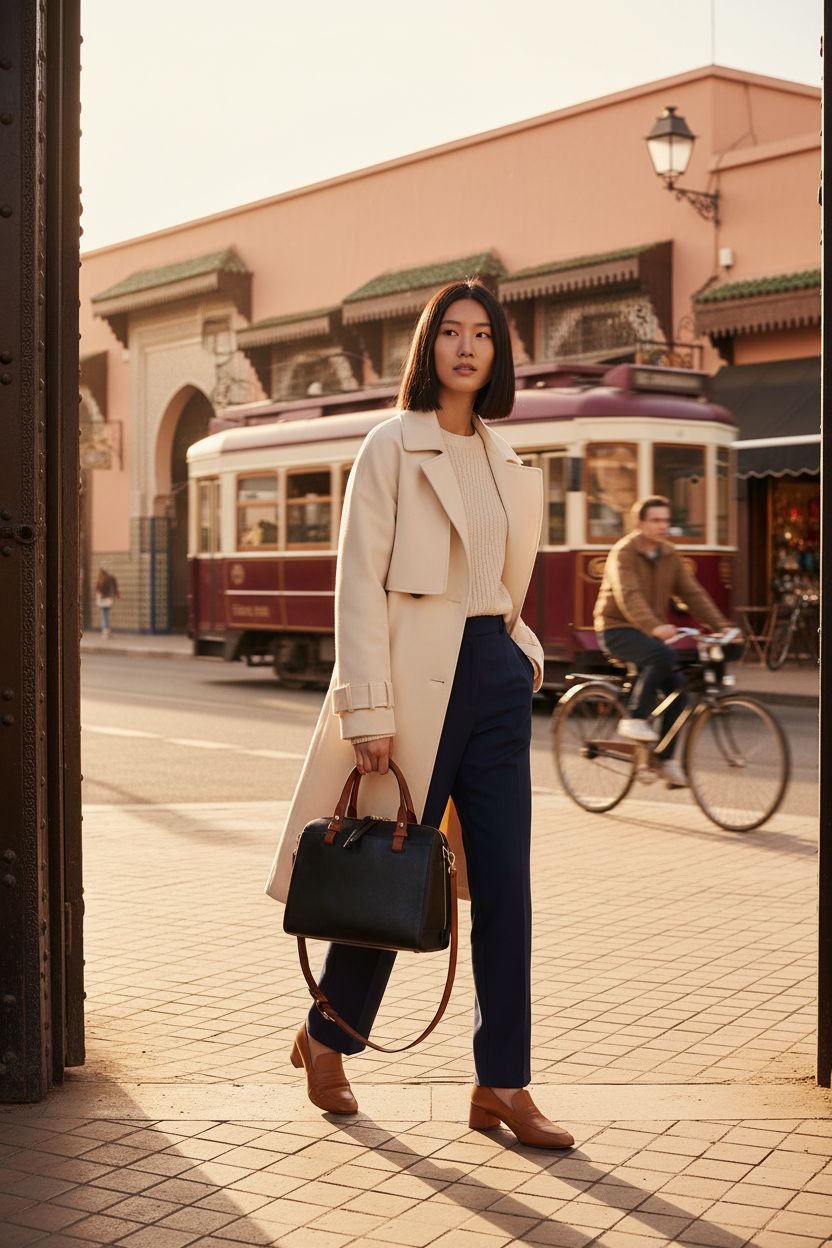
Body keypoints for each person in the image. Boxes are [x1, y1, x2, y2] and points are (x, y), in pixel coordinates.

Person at [265, 278, 573, 1150]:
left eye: (483, 334)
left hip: (496, 679)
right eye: (452, 332)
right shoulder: (390, 447)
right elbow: (357, 581)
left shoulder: (509, 463)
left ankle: (502, 1083)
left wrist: (521, 648)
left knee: (506, 887)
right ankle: (330, 1037)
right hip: (413, 682)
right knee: (392, 867)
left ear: (498, 353)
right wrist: (369, 707)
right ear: (429, 346)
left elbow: (499, 586)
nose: (468, 347)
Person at [594, 495, 729, 787]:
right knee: (661, 656)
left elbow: (692, 593)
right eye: (655, 520)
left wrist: (722, 626)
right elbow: (628, 595)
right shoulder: (624, 552)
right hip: (616, 628)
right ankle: (635, 718)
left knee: (680, 691)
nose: (663, 526)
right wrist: (655, 626)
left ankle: (664, 760)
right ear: (640, 523)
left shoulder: (669, 554)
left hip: (647, 631)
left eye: (666, 520)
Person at [94, 566, 119, 638]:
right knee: (106, 615)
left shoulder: (101, 580)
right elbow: (113, 589)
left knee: (104, 616)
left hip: (102, 600)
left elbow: (98, 591)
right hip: (108, 600)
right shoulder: (110, 579)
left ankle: (105, 631)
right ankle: (107, 630)